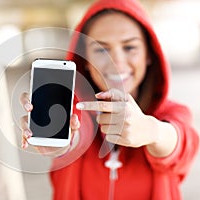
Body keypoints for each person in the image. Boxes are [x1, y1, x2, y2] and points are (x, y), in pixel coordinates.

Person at [19, 0, 199, 199]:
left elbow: (182, 143)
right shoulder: (72, 112)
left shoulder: (173, 114)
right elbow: (76, 137)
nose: (116, 62)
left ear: (150, 54)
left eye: (130, 47)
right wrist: (61, 143)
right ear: (85, 58)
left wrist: (151, 130)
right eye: (100, 49)